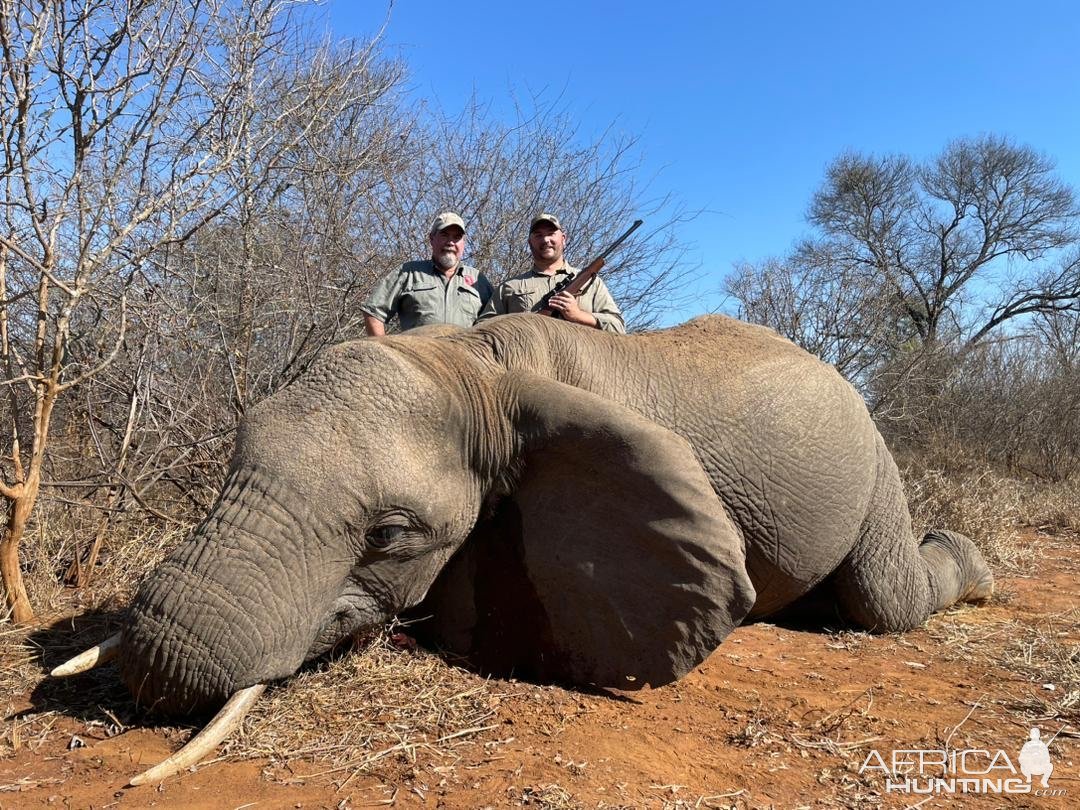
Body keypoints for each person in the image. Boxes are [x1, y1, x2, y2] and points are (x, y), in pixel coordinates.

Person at [478, 213, 626, 333]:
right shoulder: (510, 287)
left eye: (551, 233)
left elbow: (618, 327)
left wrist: (578, 315)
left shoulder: (592, 282)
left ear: (563, 239)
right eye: (538, 235)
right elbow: (482, 330)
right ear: (530, 242)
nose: (546, 239)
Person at [361, 212, 493, 336]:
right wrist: (386, 355)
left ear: (463, 243)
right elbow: (373, 312)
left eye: (457, 237)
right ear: (431, 238)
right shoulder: (408, 273)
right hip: (414, 359)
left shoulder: (479, 280)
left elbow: (495, 325)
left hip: (463, 359)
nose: (450, 242)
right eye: (444, 235)